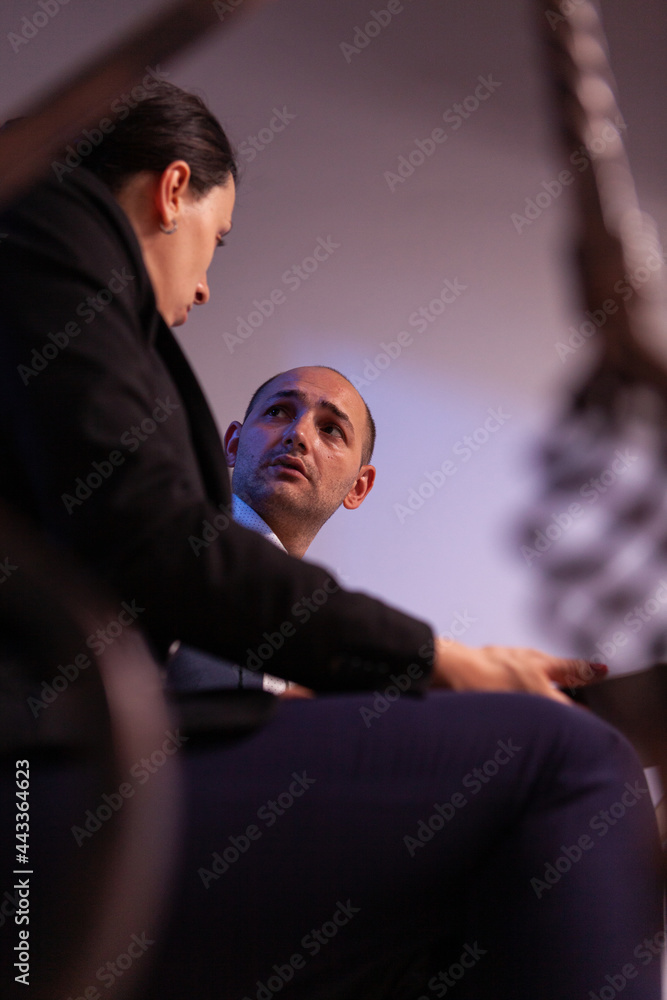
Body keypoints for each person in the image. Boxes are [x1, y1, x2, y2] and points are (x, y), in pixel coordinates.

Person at [0, 83, 662, 999]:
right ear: (171, 189)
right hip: (40, 808)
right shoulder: (51, 225)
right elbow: (159, 546)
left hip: (67, 797)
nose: (199, 287)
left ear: (362, 487)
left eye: (332, 429)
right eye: (215, 243)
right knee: (575, 767)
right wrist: (442, 662)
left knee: (486, 902)